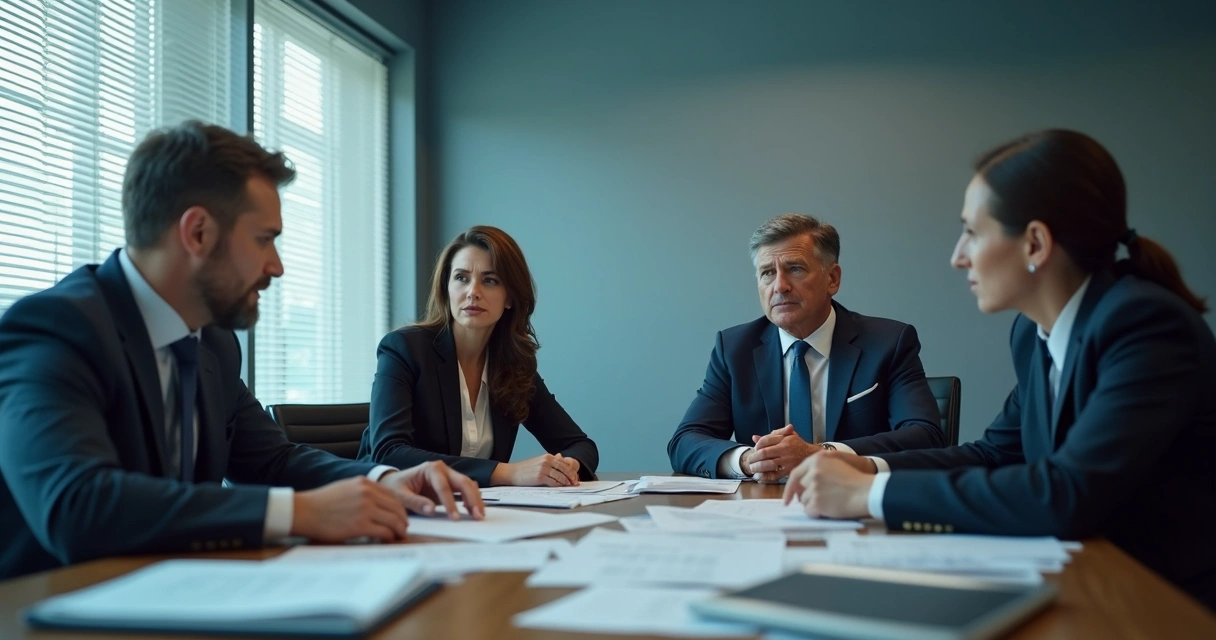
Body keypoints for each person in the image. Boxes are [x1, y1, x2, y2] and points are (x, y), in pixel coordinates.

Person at [0, 121, 484, 581]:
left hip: (175, 591)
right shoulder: (56, 329)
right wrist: (300, 512)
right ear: (197, 233)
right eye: (264, 239)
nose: (276, 267)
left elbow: (273, 461)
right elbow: (77, 506)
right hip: (51, 604)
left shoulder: (213, 343)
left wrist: (383, 480)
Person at [784, 129, 1216, 611]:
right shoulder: (1033, 334)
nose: (957, 256)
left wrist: (870, 493)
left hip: (1164, 604)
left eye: (971, 231)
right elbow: (995, 454)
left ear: (1034, 243)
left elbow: (1067, 494)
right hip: (1085, 581)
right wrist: (866, 465)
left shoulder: (1146, 326)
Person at [668, 214, 944, 482]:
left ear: (832, 279)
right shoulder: (734, 349)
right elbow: (685, 441)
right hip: (760, 512)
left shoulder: (888, 342)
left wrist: (820, 455)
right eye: (767, 273)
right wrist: (747, 460)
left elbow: (925, 435)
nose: (780, 286)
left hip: (855, 503)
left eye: (795, 269)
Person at [359, 226, 598, 487]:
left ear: (510, 298)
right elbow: (389, 453)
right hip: (393, 508)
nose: (473, 291)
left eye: (490, 280)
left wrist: (565, 466)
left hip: (479, 513)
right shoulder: (404, 349)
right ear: (446, 288)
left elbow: (580, 445)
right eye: (461, 278)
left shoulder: (514, 366)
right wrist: (508, 473)